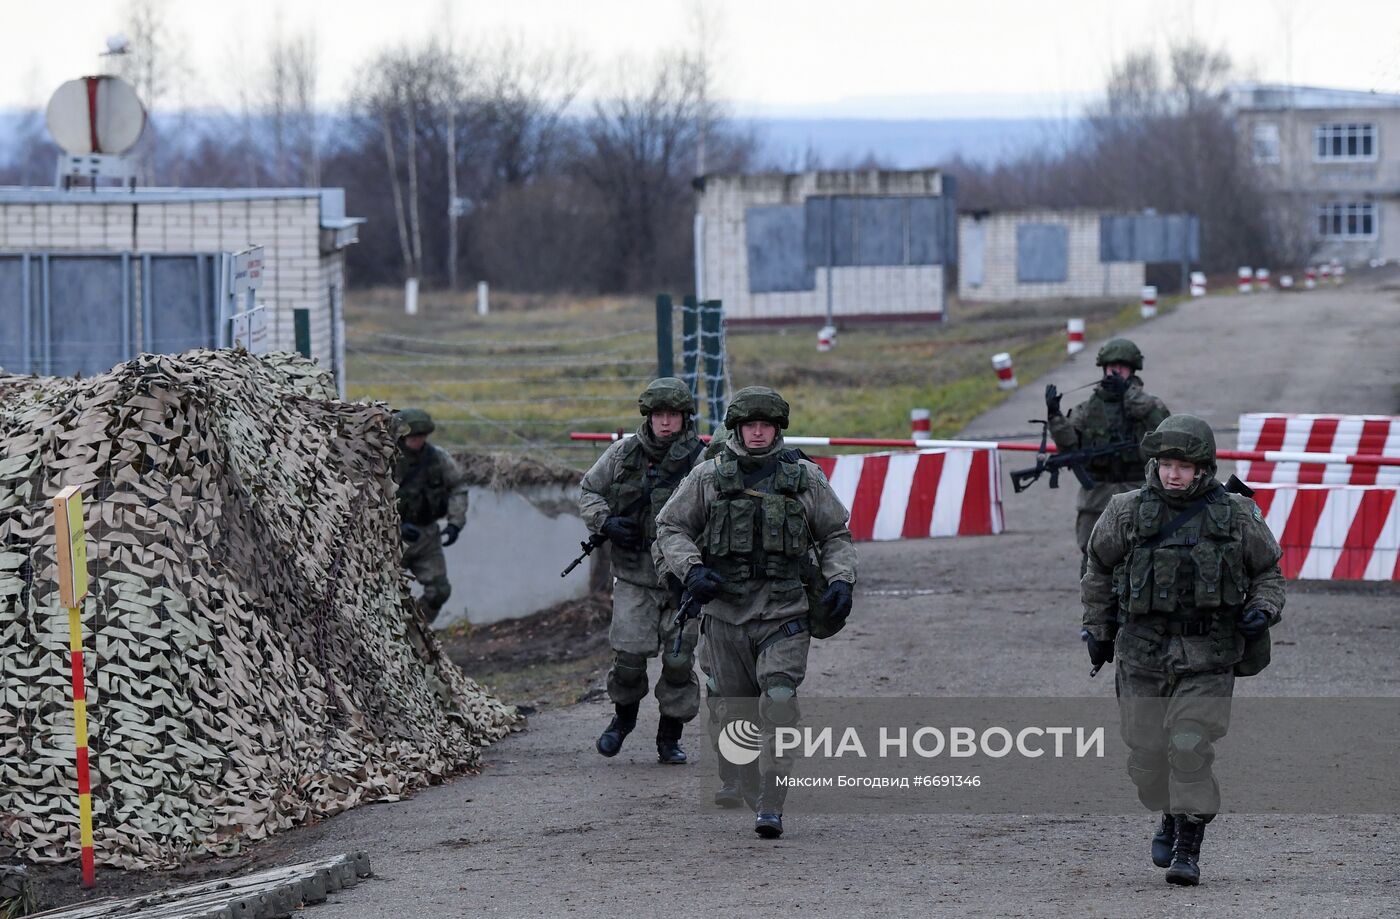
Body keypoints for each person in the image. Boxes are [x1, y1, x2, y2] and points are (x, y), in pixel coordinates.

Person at [1080, 414, 1285, 886]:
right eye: (1167, 463)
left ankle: (1188, 847)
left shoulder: (1235, 513)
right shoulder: (1126, 511)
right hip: (1143, 653)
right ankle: (1169, 814)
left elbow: (1268, 572)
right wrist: (1096, 629)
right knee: (1146, 757)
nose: (1174, 473)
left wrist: (1263, 608)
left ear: (1204, 468)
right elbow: (1098, 569)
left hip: (1209, 653)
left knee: (1189, 745)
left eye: (1184, 466)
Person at [656, 385, 857, 839]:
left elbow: (835, 535)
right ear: (738, 429)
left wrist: (841, 579)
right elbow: (670, 527)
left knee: (780, 704)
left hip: (784, 612)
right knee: (733, 714)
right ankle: (745, 779)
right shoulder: (708, 477)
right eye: (751, 426)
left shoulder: (804, 477)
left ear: (778, 429)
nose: (759, 433)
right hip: (725, 616)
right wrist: (691, 572)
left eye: (767, 425)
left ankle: (772, 799)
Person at [579, 378, 706, 764]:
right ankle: (623, 720)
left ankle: (670, 737)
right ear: (648, 417)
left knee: (679, 663)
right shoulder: (623, 454)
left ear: (685, 419)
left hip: (683, 581)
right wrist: (606, 522)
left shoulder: (703, 460)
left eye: (673, 416)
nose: (665, 423)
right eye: (658, 416)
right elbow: (588, 490)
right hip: (635, 576)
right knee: (629, 659)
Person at [1046, 338, 1171, 571]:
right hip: (1097, 493)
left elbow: (1164, 430)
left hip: (1137, 489)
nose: (1116, 371)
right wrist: (1055, 416)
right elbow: (1069, 443)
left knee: (1144, 552)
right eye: (1111, 367)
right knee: (1092, 554)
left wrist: (1129, 396)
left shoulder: (1148, 404)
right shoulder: (1088, 409)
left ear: (1132, 370)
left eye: (1122, 367)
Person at [393, 408, 470, 624]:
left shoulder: (438, 459)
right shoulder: (387, 460)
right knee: (384, 594)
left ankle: (415, 633)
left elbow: (458, 488)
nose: (418, 441)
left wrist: (455, 523)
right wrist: (396, 526)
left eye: (421, 437)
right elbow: (371, 496)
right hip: (390, 538)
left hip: (427, 536)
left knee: (439, 591)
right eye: (413, 437)